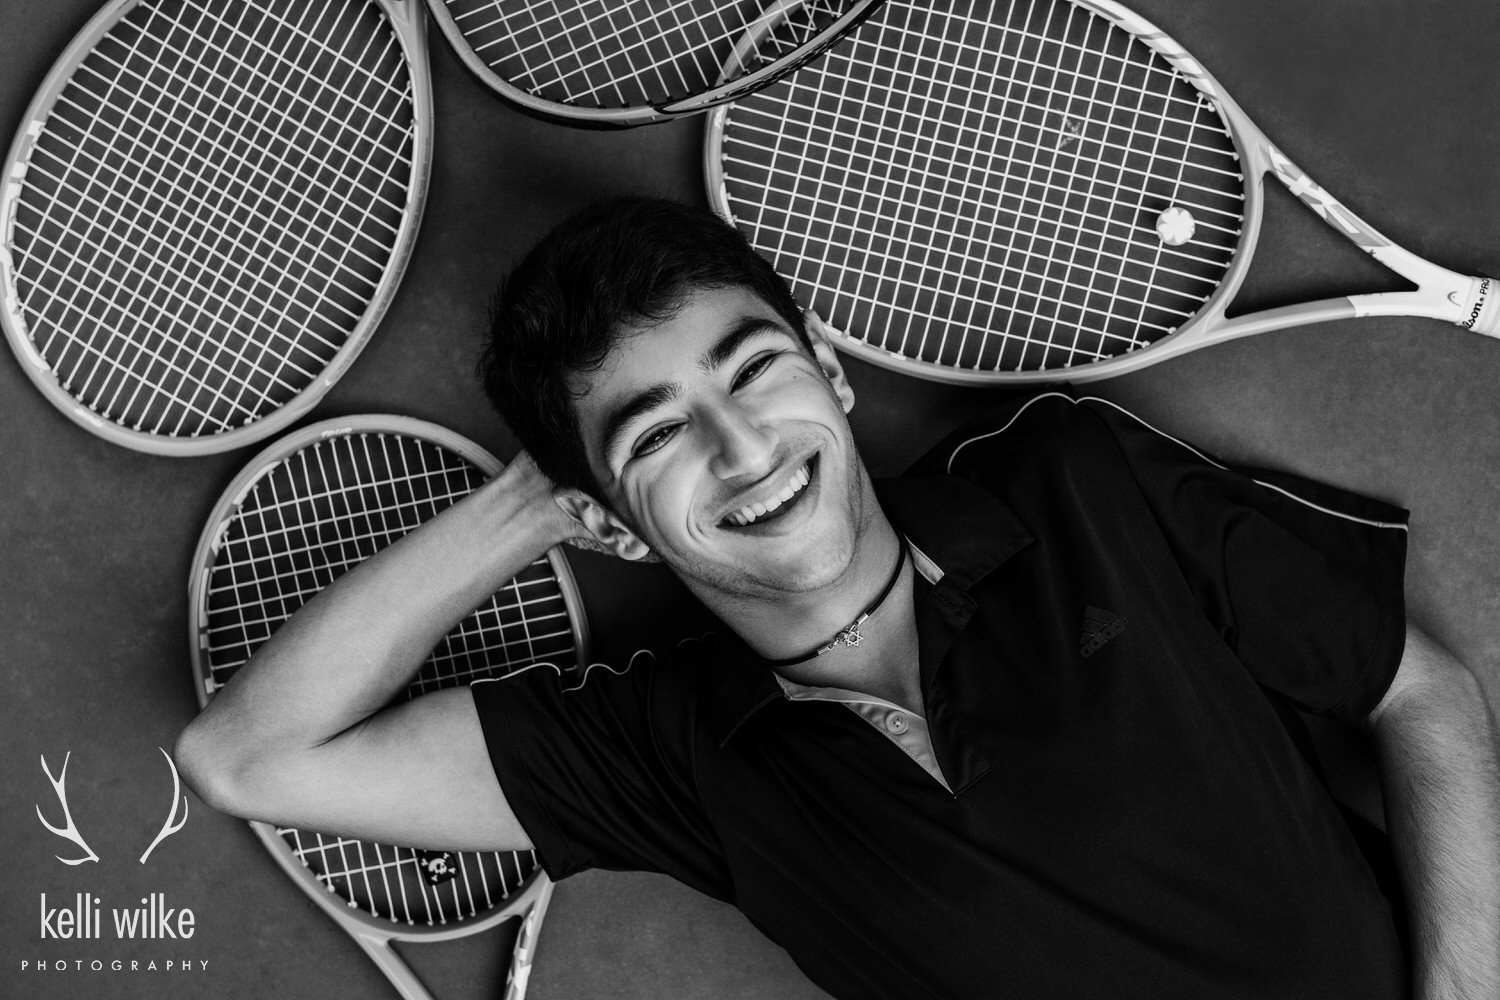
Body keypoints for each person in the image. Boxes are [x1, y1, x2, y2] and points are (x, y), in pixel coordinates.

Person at [175, 198, 1499, 1000]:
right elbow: (245, 756)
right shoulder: (672, 756)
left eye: (756, 372)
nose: (743, 449)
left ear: (833, 376)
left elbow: (1418, 688)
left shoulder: (1073, 481)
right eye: (658, 440)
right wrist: (532, 505)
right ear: (606, 526)